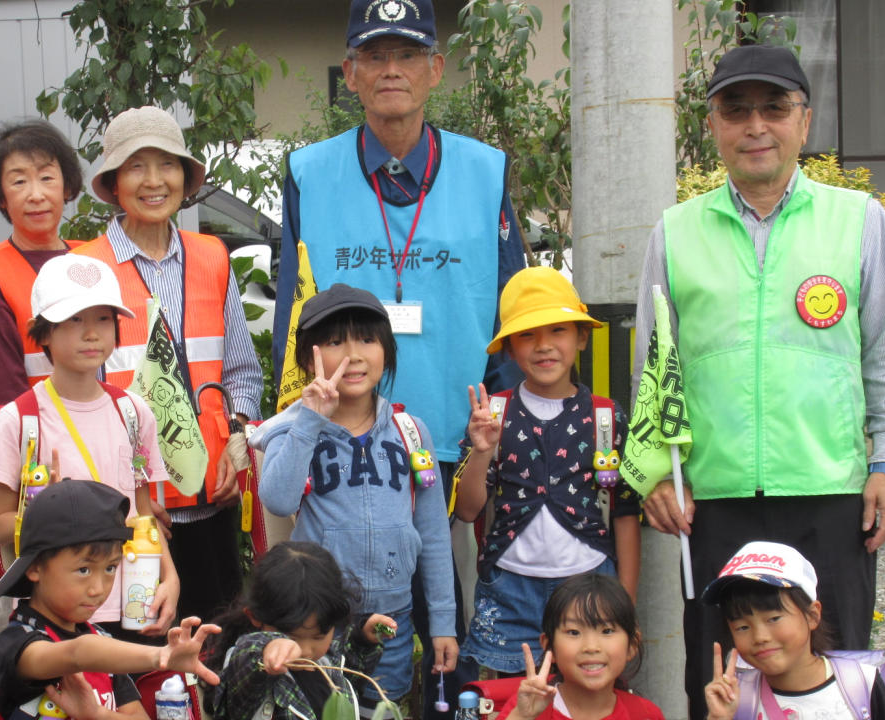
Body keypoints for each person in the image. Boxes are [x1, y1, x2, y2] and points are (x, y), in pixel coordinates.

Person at [630, 45, 885, 720]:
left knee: (836, 673)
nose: (755, 125)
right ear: (714, 126)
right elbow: (652, 366)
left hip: (830, 489)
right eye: (736, 110)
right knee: (722, 685)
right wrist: (655, 478)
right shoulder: (677, 232)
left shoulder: (858, 221)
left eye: (774, 108)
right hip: (716, 499)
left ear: (805, 121)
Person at [272, 1, 527, 711]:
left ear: (436, 69)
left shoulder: (483, 171)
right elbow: (293, 308)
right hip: (343, 443)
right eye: (374, 57)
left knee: (449, 626)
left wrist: (498, 429)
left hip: (453, 435)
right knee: (337, 629)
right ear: (348, 73)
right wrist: (300, 421)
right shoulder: (310, 173)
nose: (392, 71)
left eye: (408, 55)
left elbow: (512, 303)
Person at [73, 105, 263, 624]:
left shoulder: (213, 257)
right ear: (113, 183)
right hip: (129, 511)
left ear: (185, 177)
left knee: (214, 647)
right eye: (137, 166)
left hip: (212, 499)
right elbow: (75, 393)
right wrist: (128, 491)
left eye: (168, 165)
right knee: (142, 657)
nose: (154, 181)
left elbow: (241, 374)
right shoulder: (85, 268)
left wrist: (237, 442)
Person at [251, 284, 458, 709]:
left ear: (387, 350)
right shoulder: (293, 431)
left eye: (367, 339)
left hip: (392, 620)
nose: (355, 354)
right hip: (317, 624)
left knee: (385, 707)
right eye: (334, 342)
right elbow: (277, 500)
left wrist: (442, 622)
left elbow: (434, 533)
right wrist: (310, 421)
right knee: (321, 710)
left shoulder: (411, 433)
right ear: (310, 357)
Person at [454, 267, 641, 675]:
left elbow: (626, 513)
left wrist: (624, 603)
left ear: (582, 336)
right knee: (507, 701)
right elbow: (468, 510)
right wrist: (482, 452)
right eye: (526, 335)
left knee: (585, 700)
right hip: (509, 591)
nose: (543, 346)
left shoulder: (605, 417)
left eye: (557, 330)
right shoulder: (492, 414)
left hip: (592, 587)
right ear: (508, 348)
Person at [0, 254, 181, 640]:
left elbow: (144, 513)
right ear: (41, 332)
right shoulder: (22, 418)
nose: (91, 333)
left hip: (132, 600)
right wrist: (45, 509)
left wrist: (170, 577)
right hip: (58, 610)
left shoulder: (133, 412)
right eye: (74, 320)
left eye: (103, 319)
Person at [0, 118, 87, 635]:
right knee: (28, 636)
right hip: (33, 478)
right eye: (18, 180)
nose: (35, 194)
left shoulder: (91, 262)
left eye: (47, 177)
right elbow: (4, 395)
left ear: (68, 186)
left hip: (101, 466)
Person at [0, 479, 219, 720]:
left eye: (110, 568)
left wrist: (96, 714)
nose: (98, 589)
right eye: (84, 570)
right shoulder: (16, 644)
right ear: (35, 567)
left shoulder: (103, 641)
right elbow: (77, 653)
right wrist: (158, 656)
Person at [701, 542, 885, 720]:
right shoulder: (737, 700)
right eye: (742, 627)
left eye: (773, 619)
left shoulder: (861, 683)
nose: (760, 637)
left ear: (812, 616)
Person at [204, 542, 396, 719]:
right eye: (292, 637)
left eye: (319, 637)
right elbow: (246, 659)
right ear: (255, 616)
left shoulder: (326, 663)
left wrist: (363, 640)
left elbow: (349, 673)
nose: (305, 650)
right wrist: (268, 647)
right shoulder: (255, 676)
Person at [494, 574, 663, 720]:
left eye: (607, 631)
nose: (591, 647)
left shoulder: (645, 713)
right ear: (549, 647)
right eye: (574, 632)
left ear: (632, 645)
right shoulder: (526, 709)